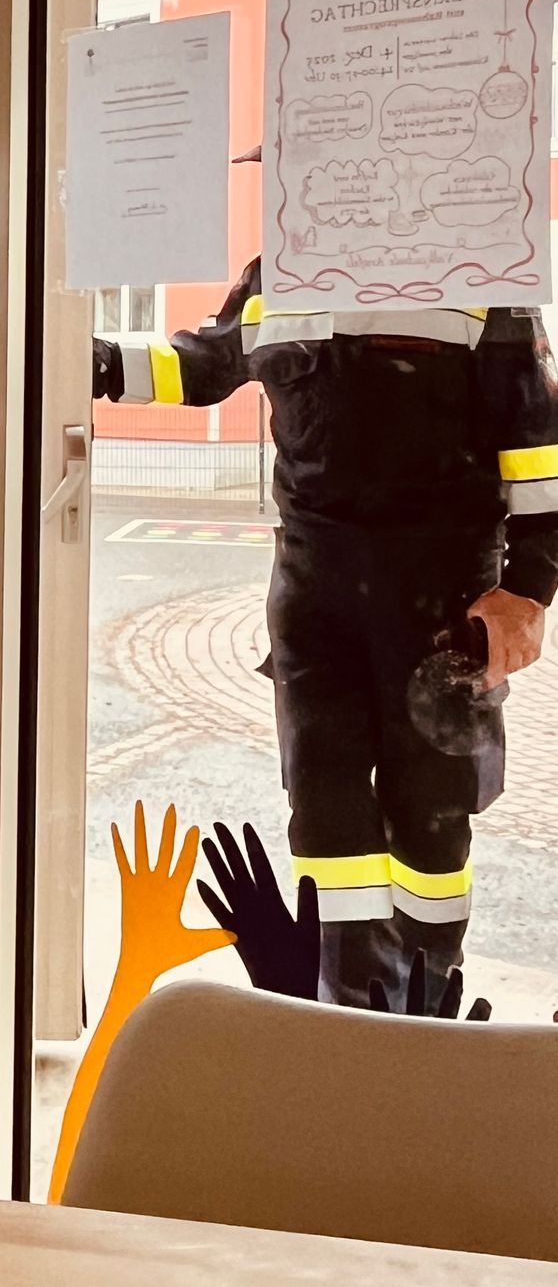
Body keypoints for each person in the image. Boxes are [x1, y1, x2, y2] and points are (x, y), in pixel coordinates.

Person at [92, 148, 558, 1007]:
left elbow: (541, 450)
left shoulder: (477, 273)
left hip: (444, 608)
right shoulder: (283, 270)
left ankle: (426, 1004)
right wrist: (94, 361)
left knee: (431, 817)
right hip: (315, 599)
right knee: (325, 808)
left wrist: (529, 590)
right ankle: (345, 1005)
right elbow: (205, 363)